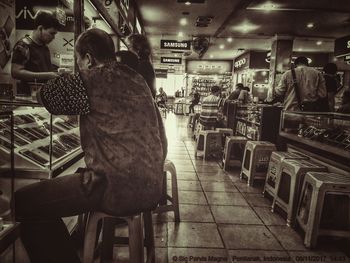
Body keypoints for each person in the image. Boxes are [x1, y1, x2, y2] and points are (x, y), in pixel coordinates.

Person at [15, 28, 167, 263]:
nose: (79, 66)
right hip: (152, 185)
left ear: (87, 58)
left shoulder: (90, 78)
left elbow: (45, 99)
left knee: (23, 202)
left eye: (78, 61)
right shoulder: (137, 79)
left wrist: (60, 77)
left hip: (113, 187)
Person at [11, 11, 60, 96]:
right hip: (28, 97)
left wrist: (56, 72)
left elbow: (40, 67)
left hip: (43, 95)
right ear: (40, 28)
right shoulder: (23, 45)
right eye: (51, 33)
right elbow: (15, 72)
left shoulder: (45, 47)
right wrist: (47, 76)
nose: (53, 38)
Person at [127, 33, 156, 98]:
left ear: (137, 49)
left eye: (129, 46)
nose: (128, 49)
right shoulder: (146, 63)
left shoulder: (141, 65)